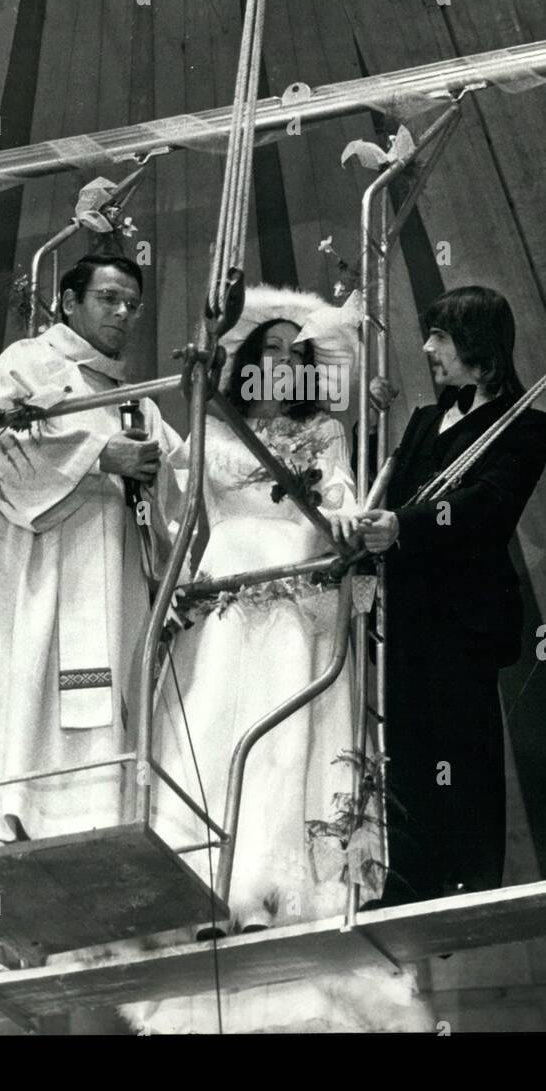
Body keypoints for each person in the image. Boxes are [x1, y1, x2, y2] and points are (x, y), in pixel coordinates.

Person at [123, 285, 432, 1033]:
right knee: (217, 733)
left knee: (282, 748)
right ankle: (206, 888)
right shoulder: (211, 434)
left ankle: (268, 896)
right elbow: (176, 511)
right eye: (268, 357)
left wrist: (354, 522)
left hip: (293, 600)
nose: (279, 371)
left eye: (293, 360)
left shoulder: (322, 437)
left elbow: (343, 507)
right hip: (227, 599)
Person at [0, 254, 183, 859]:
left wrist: (154, 470)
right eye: (109, 298)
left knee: (98, 708)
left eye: (132, 305)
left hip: (105, 580)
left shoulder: (138, 399)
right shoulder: (28, 363)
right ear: (68, 301)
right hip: (31, 576)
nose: (122, 314)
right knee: (26, 700)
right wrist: (97, 455)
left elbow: (183, 479)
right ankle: (2, 830)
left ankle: (85, 836)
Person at [353, 286, 546, 903]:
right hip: (408, 609)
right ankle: (408, 877)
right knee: (407, 744)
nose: (427, 348)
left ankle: (466, 875)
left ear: (477, 346)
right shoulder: (421, 419)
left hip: (466, 615)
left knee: (462, 745)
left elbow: (487, 507)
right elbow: (384, 491)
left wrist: (405, 527)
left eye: (440, 336)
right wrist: (368, 419)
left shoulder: (527, 423)